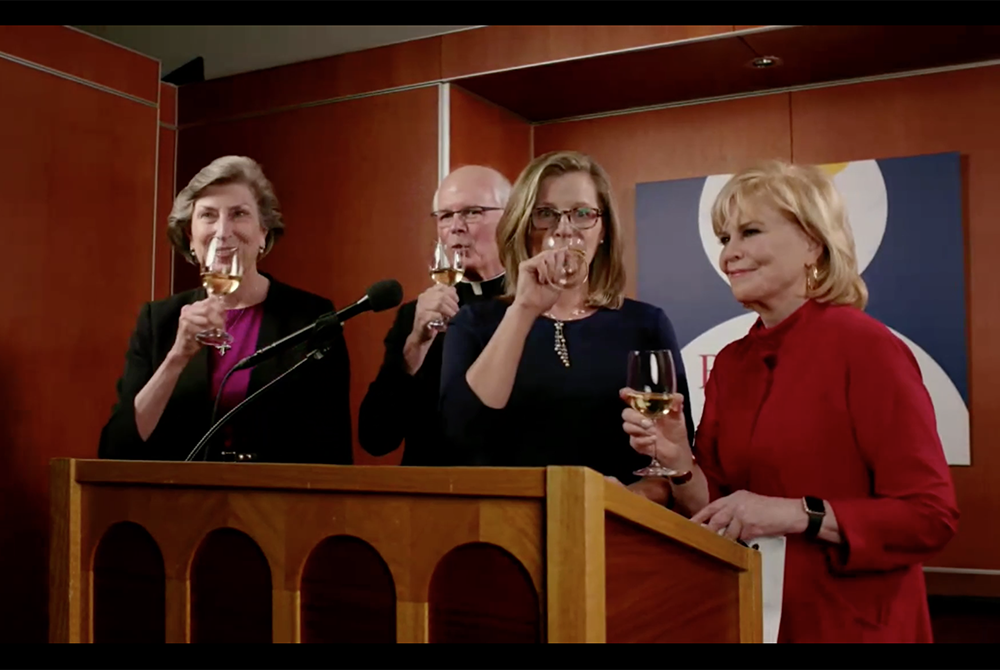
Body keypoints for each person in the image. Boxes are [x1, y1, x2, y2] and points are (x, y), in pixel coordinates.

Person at [620, 159, 959, 642]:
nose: (729, 255)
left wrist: (801, 513)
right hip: (751, 619)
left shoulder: (866, 347)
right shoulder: (732, 362)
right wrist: (679, 462)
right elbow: (716, 509)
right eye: (724, 239)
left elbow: (930, 516)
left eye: (749, 232)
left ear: (812, 243)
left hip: (853, 626)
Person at [439, 150, 695, 488]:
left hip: (618, 527)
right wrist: (525, 309)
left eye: (582, 213)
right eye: (545, 214)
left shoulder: (645, 324)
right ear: (523, 225)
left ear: (602, 230)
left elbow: (674, 458)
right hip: (504, 527)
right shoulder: (475, 322)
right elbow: (460, 435)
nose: (563, 229)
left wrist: (624, 503)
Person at [99, 156, 352, 464]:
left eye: (239, 214)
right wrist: (176, 358)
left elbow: (333, 449)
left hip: (276, 505)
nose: (222, 231)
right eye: (208, 215)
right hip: (178, 503)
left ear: (263, 232)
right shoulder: (158, 320)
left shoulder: (311, 318)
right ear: (191, 237)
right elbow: (117, 449)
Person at [357, 165, 510, 465]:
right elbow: (375, 438)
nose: (456, 226)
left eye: (472, 212)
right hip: (430, 497)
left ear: (512, 219)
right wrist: (413, 348)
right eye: (445, 216)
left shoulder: (536, 307)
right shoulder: (414, 316)